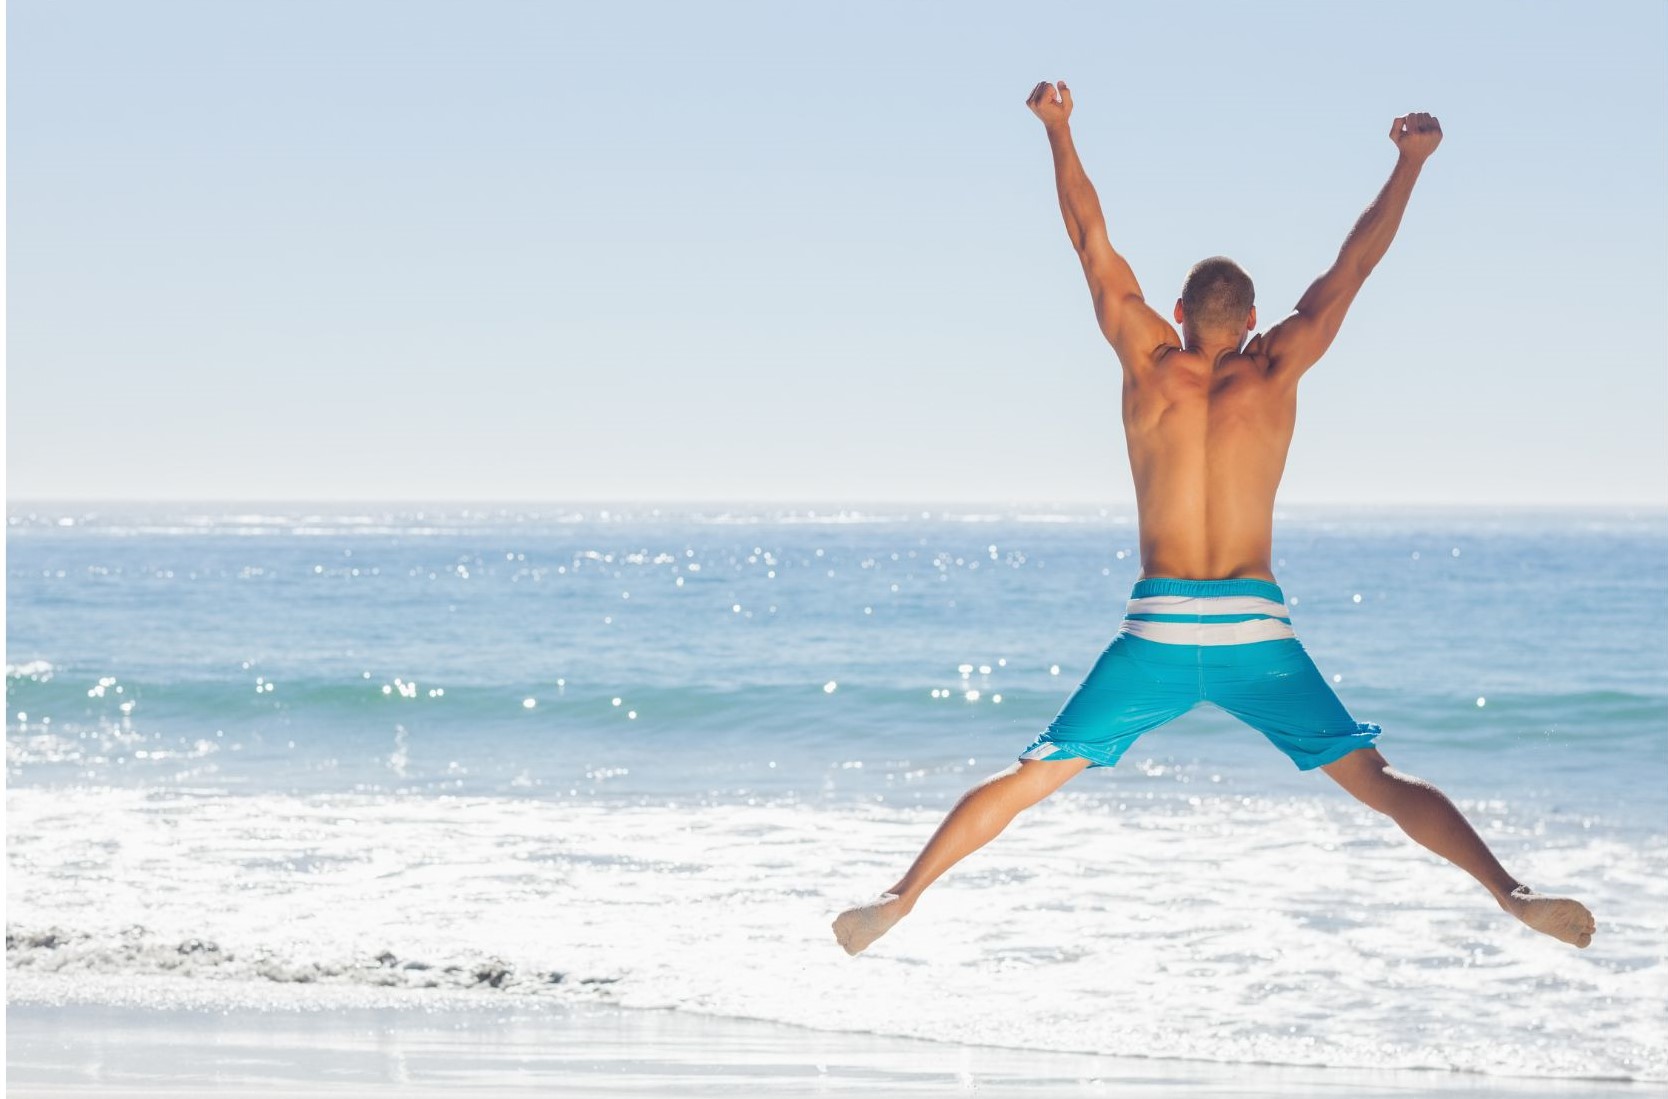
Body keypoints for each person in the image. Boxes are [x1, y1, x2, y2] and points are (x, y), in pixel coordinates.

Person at [832, 80, 1596, 956]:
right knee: (1379, 781)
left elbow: (1088, 240)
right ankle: (1511, 888)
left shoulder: (1145, 357)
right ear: (1254, 318)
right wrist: (1409, 164)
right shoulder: (1277, 367)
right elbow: (1355, 268)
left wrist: (1059, 130)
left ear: (1180, 309)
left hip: (1156, 628)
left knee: (1031, 773)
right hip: (1253, 627)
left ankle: (902, 893)